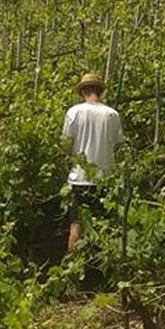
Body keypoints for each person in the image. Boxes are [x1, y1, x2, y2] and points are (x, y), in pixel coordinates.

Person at [62, 72, 122, 250]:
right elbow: (118, 146)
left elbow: (66, 143)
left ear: (82, 92)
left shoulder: (74, 112)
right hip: (105, 179)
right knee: (106, 226)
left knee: (76, 226)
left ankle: (73, 266)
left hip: (79, 178)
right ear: (100, 92)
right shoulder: (112, 115)